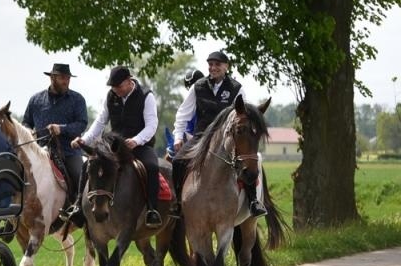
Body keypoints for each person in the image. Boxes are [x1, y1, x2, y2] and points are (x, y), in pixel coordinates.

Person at [172, 50, 263, 215]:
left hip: (226, 138)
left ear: (226, 67)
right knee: (178, 160)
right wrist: (178, 137)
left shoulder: (236, 88)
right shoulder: (197, 87)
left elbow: (244, 114)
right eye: (210, 65)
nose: (213, 68)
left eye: (217, 65)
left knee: (246, 161)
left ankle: (253, 201)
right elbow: (182, 114)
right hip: (201, 137)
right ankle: (178, 203)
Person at [74, 65, 163, 227]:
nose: (116, 91)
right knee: (88, 164)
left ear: (129, 81)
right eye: (113, 88)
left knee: (151, 166)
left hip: (140, 145)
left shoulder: (146, 96)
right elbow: (101, 121)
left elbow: (151, 125)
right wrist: (84, 140)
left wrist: (136, 140)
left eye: (119, 87)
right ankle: (78, 206)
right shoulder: (111, 96)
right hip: (114, 146)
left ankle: (152, 210)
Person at [20, 63, 89, 210]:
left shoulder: (77, 99)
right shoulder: (35, 100)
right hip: (39, 151)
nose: (66, 81)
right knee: (18, 175)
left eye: (68, 78)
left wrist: (61, 129)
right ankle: (12, 216)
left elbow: (82, 124)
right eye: (62, 78)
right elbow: (26, 122)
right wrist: (28, 131)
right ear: (52, 78)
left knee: (80, 177)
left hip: (69, 152)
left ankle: (80, 213)